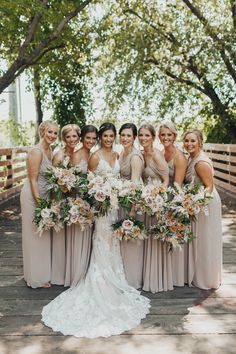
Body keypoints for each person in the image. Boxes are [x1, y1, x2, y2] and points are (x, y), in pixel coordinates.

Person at [41, 122, 150, 338]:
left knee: (113, 242)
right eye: (106, 136)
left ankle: (115, 275)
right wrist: (99, 194)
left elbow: (120, 179)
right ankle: (100, 276)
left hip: (115, 206)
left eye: (112, 136)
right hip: (101, 209)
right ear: (100, 137)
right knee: (102, 239)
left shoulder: (118, 156)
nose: (109, 139)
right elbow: (89, 184)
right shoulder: (95, 156)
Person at [51, 124, 98, 287]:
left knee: (84, 237)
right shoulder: (76, 156)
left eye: (74, 136)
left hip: (87, 200)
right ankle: (75, 274)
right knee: (77, 237)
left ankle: (81, 271)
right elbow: (66, 182)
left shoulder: (90, 154)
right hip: (76, 200)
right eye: (88, 138)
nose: (90, 141)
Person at [20, 120, 58, 288]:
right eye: (50, 132)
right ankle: (36, 277)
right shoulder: (36, 152)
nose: (53, 136)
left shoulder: (49, 150)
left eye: (55, 133)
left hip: (45, 194)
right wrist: (41, 204)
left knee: (42, 234)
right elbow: (33, 180)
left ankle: (40, 271)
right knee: (34, 234)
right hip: (33, 196)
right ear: (42, 131)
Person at [183, 129, 222, 289]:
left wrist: (197, 204)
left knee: (205, 240)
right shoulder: (191, 158)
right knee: (200, 240)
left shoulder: (200, 163)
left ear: (200, 142)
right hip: (198, 202)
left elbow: (209, 187)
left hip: (206, 203)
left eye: (193, 140)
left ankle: (207, 278)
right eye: (186, 140)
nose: (189, 144)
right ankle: (199, 274)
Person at [138, 123, 173, 293]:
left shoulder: (157, 155)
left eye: (147, 135)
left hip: (156, 200)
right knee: (147, 237)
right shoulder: (142, 154)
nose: (143, 139)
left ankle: (157, 279)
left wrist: (157, 197)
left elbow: (166, 180)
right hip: (146, 200)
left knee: (155, 238)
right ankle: (145, 275)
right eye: (141, 135)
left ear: (153, 137)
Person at [158, 122, 187, 287]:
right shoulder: (161, 153)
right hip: (161, 196)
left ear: (174, 136)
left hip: (172, 198)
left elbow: (177, 185)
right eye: (163, 135)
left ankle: (174, 276)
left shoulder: (179, 157)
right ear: (159, 137)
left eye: (169, 135)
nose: (166, 137)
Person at [119, 122, 145, 289]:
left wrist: (133, 211)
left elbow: (135, 185)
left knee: (131, 240)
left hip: (131, 203)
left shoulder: (135, 157)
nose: (125, 138)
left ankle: (133, 280)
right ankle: (125, 275)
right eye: (123, 135)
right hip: (122, 201)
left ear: (134, 137)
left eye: (129, 135)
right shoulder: (122, 153)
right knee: (124, 241)